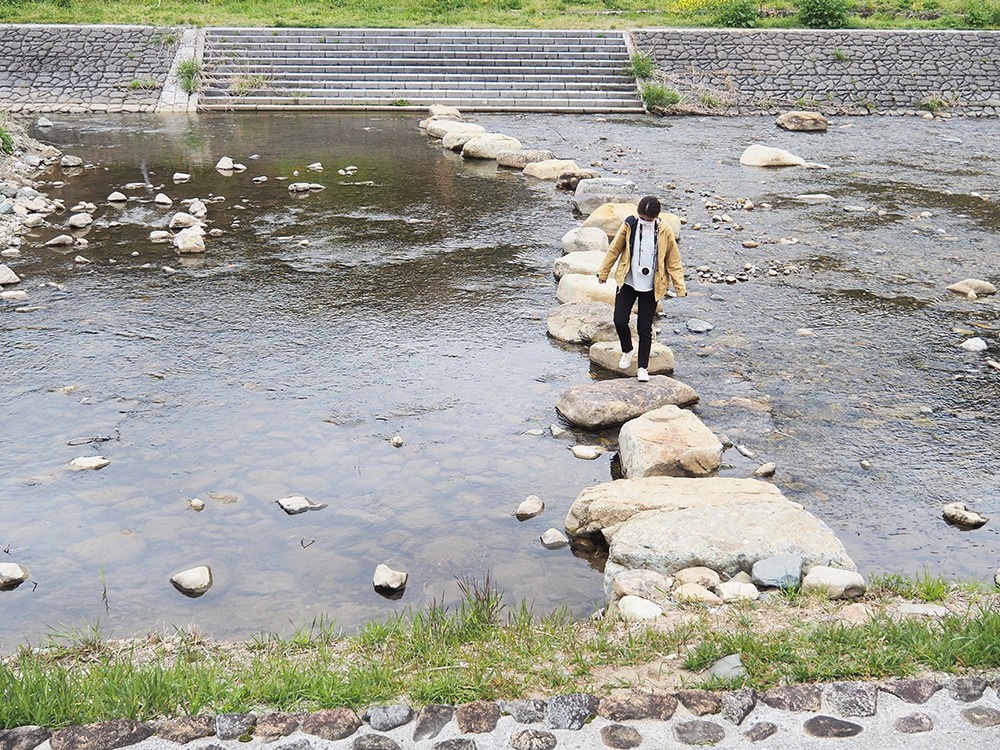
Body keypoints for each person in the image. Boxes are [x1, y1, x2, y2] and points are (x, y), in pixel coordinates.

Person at [596, 195, 686, 382]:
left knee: (644, 328)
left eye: (648, 219)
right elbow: (614, 249)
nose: (644, 221)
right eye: (641, 217)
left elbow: (673, 260)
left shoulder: (665, 231)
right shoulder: (630, 225)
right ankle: (627, 350)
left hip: (651, 287)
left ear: (656, 216)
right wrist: (603, 273)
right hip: (628, 281)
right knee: (619, 320)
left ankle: (642, 368)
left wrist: (679, 287)